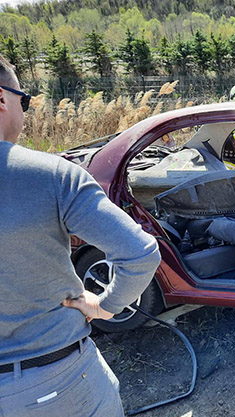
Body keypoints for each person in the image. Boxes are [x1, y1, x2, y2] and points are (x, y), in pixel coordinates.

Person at [0, 54, 161, 416]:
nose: (25, 110)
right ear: (1, 99)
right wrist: (104, 306)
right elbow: (141, 254)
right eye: (23, 100)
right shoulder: (52, 176)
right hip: (57, 383)